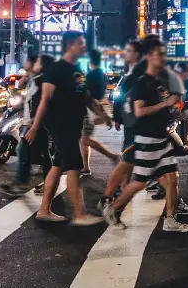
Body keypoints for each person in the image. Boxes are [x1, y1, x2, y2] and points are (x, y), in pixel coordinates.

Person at [106, 37, 188, 232]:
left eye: (164, 54)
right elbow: (139, 111)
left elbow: (166, 107)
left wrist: (180, 113)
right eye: (159, 55)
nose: (163, 58)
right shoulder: (142, 83)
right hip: (148, 139)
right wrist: (165, 104)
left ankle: (170, 219)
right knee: (139, 182)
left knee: (172, 179)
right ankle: (113, 208)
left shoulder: (159, 82)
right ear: (149, 57)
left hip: (162, 138)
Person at [25, 31, 103, 225]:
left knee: (58, 166)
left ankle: (44, 210)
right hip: (60, 125)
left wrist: (103, 114)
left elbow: (84, 96)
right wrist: (35, 127)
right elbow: (45, 99)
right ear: (70, 45)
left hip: (73, 125)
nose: (84, 46)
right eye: (80, 43)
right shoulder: (56, 69)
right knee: (75, 167)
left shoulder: (78, 69)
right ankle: (79, 214)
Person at [100, 40, 144, 208]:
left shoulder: (136, 72)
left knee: (131, 159)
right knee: (128, 159)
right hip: (135, 123)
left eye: (129, 51)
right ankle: (108, 195)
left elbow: (121, 96)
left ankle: (122, 188)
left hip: (137, 122)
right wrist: (118, 117)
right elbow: (121, 96)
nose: (126, 53)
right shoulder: (134, 73)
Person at [79, 48, 118, 177]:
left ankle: (111, 156)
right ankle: (85, 167)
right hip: (95, 106)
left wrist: (101, 114)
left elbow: (88, 96)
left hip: (89, 109)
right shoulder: (101, 74)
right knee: (84, 139)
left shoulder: (91, 75)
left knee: (85, 139)